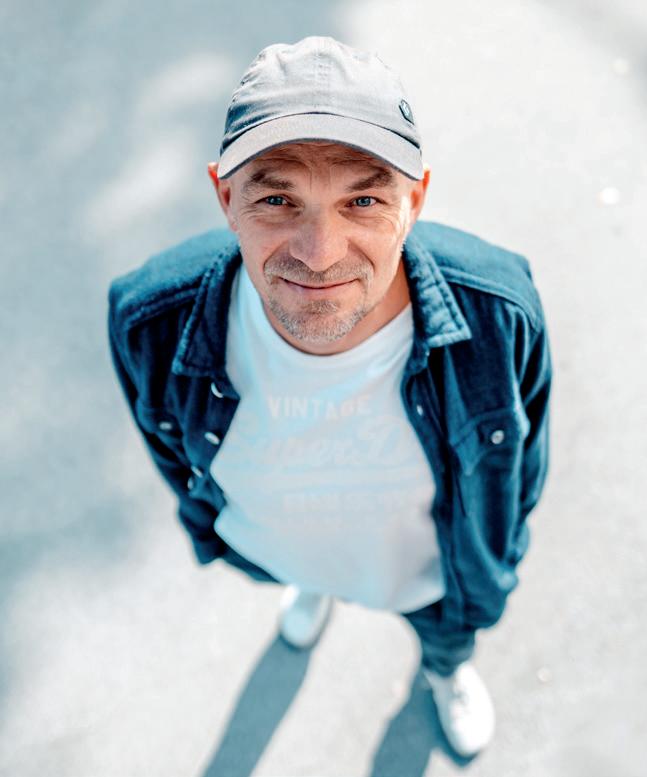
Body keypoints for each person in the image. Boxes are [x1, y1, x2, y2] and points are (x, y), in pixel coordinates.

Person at [107, 36, 552, 758]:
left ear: (414, 200)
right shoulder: (149, 317)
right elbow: (168, 448)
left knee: (445, 632)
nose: (319, 252)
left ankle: (444, 668)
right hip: (281, 544)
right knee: (304, 562)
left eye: (363, 200)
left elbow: (525, 461)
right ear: (226, 197)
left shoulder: (498, 311)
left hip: (427, 573)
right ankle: (312, 583)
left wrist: (497, 554)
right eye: (277, 199)